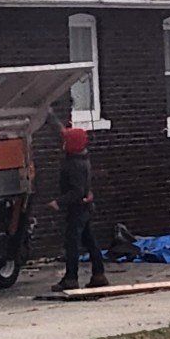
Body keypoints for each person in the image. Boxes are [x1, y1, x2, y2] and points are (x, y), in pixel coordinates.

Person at [52, 124, 107, 291]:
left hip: (77, 209)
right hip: (85, 208)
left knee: (72, 244)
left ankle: (71, 278)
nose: (62, 144)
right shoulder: (83, 158)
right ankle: (99, 274)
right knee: (90, 241)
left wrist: (58, 202)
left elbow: (76, 192)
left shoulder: (73, 164)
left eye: (66, 141)